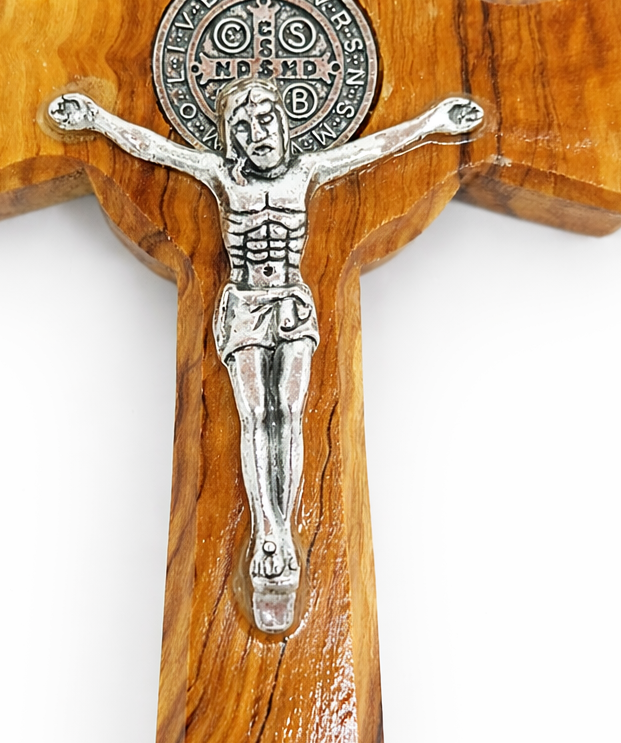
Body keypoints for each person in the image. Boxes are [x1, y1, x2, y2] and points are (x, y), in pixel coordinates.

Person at [48, 78, 483, 633]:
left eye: (268, 120)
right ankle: (269, 530)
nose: (260, 134)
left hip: (292, 303)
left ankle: (284, 525)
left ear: (285, 122)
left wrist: (432, 124)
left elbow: (372, 149)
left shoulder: (307, 172)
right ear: (232, 140)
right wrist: (97, 120)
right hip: (246, 305)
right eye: (245, 128)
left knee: (291, 414)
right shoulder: (222, 176)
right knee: (256, 416)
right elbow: (154, 149)